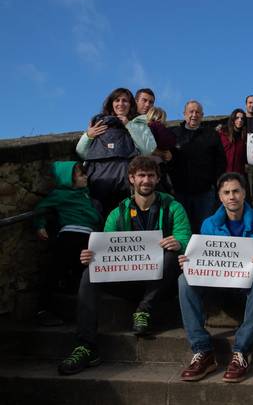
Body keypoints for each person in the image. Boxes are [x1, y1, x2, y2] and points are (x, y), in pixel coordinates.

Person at [57, 156, 191, 375]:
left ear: (157, 179)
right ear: (132, 178)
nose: (145, 180)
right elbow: (107, 247)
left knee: (171, 256)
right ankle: (86, 345)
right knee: (89, 273)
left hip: (161, 283)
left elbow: (185, 236)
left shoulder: (173, 207)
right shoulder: (118, 212)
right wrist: (93, 256)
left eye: (150, 175)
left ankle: (144, 310)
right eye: (141, 175)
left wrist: (179, 242)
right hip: (127, 280)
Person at [178, 172, 253, 383]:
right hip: (218, 286)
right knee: (183, 279)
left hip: (248, 284)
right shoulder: (209, 224)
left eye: (236, 191)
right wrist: (190, 262)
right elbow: (202, 255)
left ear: (244, 194)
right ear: (221, 197)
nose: (231, 196)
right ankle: (203, 351)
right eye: (226, 192)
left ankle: (241, 352)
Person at [33, 161, 102, 326]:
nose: (86, 177)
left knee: (81, 274)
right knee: (56, 269)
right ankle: (43, 309)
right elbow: (40, 208)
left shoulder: (85, 196)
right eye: (80, 175)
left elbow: (93, 215)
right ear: (67, 179)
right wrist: (40, 225)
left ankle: (79, 313)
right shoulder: (60, 194)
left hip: (89, 237)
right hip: (69, 235)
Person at [76, 88, 156, 215]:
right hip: (97, 184)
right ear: (111, 103)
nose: (121, 104)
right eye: (117, 100)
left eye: (125, 101)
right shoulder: (99, 122)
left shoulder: (139, 123)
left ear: (131, 104)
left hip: (126, 183)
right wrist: (88, 135)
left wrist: (129, 125)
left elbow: (147, 150)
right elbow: (82, 153)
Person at [169, 100, 226, 234]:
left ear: (202, 115)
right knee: (181, 229)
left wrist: (215, 184)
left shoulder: (211, 135)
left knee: (204, 229)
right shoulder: (173, 134)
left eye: (197, 112)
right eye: (191, 112)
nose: (194, 115)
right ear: (184, 114)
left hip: (205, 193)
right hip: (179, 192)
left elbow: (221, 161)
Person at [219, 109, 247, 175]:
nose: (240, 120)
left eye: (242, 119)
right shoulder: (222, 134)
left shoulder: (244, 138)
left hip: (238, 174)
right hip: (223, 173)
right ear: (233, 119)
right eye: (237, 118)